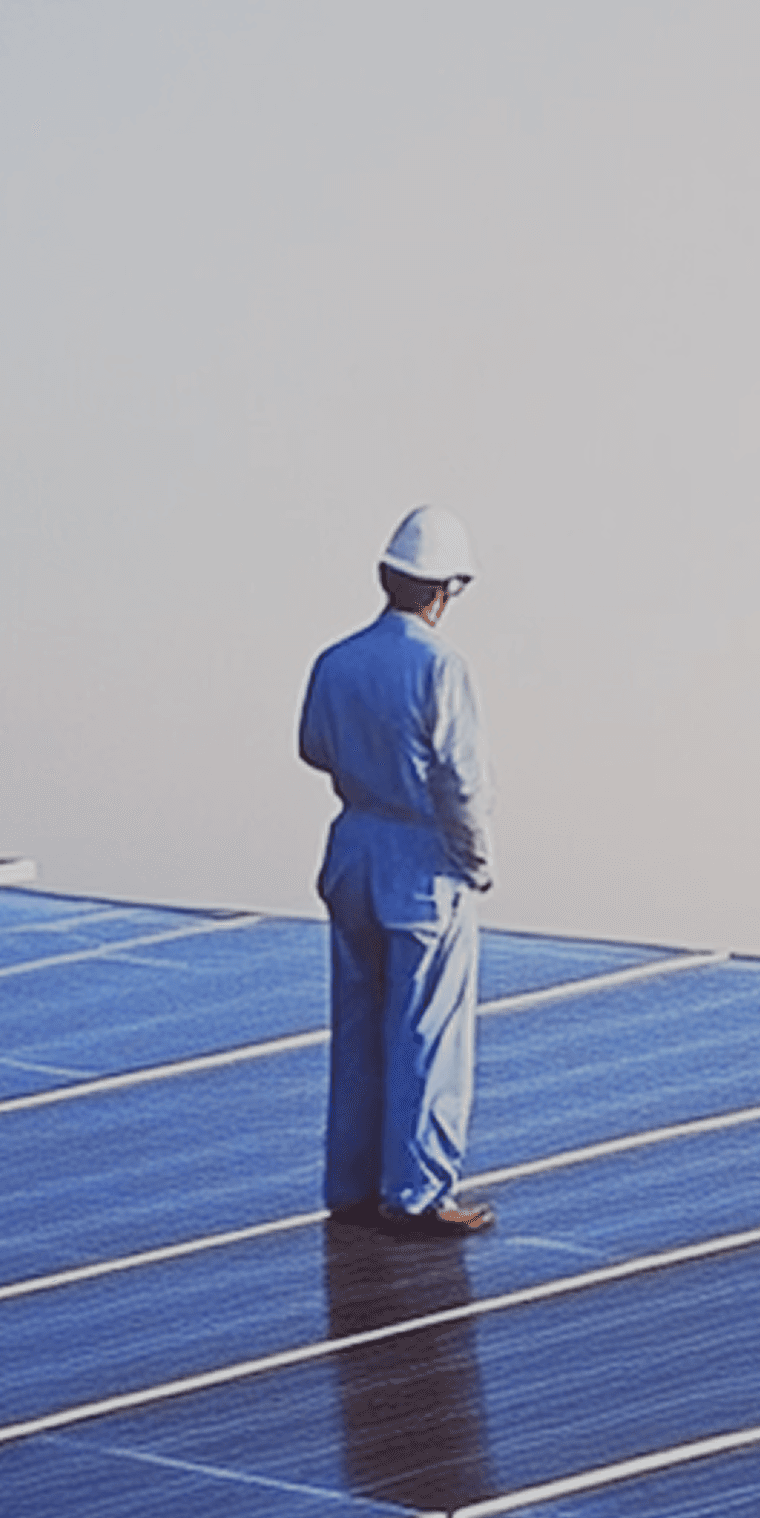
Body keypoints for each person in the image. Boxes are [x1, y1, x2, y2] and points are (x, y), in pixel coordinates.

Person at [300, 505, 498, 1237]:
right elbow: (460, 780)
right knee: (427, 1029)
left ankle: (348, 1183)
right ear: (442, 590)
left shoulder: (335, 659)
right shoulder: (441, 667)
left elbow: (312, 748)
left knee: (357, 1021)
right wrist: (474, 860)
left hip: (351, 850)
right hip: (420, 858)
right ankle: (416, 1190)